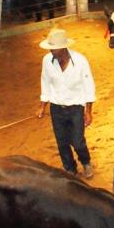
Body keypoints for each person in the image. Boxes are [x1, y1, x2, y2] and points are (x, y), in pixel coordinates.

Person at [37, 28, 96, 179]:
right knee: (62, 141)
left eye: (54, 48)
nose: (51, 51)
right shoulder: (47, 61)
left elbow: (89, 86)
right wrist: (43, 106)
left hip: (76, 108)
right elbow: (45, 82)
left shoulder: (81, 61)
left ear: (63, 47)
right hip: (57, 108)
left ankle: (86, 162)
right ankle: (69, 168)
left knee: (77, 141)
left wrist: (88, 111)